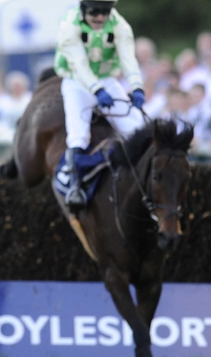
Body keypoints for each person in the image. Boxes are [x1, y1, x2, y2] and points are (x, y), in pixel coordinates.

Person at [54, 0, 146, 210]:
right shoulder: (69, 24)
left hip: (106, 80)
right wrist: (97, 90)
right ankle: (74, 186)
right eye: (95, 12)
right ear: (84, 8)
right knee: (79, 134)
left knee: (136, 127)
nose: (100, 18)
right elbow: (79, 64)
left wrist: (137, 86)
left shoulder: (120, 25)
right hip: (76, 81)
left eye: (106, 12)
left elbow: (127, 58)